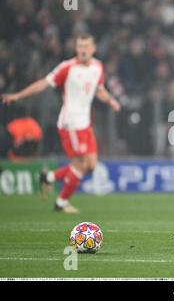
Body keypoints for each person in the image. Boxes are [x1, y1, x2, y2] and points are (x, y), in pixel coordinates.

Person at [2, 34, 120, 213]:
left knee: (92, 165)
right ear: (76, 48)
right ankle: (61, 203)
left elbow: (99, 90)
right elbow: (43, 83)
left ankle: (48, 177)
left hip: (85, 123)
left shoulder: (97, 66)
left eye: (86, 46)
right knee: (80, 164)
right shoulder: (67, 67)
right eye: (80, 46)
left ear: (93, 49)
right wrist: (18, 95)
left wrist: (110, 100)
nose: (82, 50)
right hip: (71, 123)